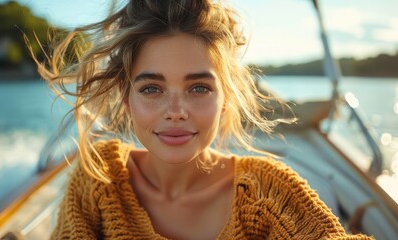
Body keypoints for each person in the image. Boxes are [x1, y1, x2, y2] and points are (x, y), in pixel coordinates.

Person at [33, 0, 373, 239]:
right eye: (152, 89)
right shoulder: (98, 180)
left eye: (198, 87)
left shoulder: (269, 194)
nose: (176, 110)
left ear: (225, 97)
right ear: (126, 99)